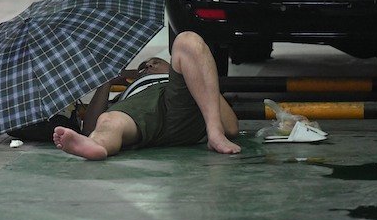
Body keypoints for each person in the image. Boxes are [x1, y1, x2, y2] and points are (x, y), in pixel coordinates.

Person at [53, 31, 241, 160]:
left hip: (180, 104)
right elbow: (90, 127)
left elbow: (231, 127)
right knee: (108, 121)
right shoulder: (128, 94)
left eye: (156, 62)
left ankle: (214, 134)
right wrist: (106, 83)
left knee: (187, 39)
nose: (149, 66)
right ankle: (97, 146)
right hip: (139, 114)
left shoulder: (184, 81)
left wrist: (197, 77)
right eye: (143, 67)